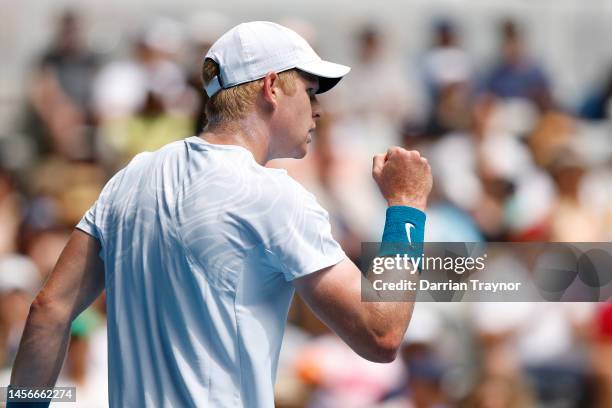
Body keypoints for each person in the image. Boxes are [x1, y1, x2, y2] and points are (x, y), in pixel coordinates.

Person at [9, 21, 433, 407]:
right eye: (309, 89)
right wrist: (406, 207)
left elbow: (49, 308)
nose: (318, 107)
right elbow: (382, 333)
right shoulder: (274, 196)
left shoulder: (129, 178)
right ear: (271, 87)